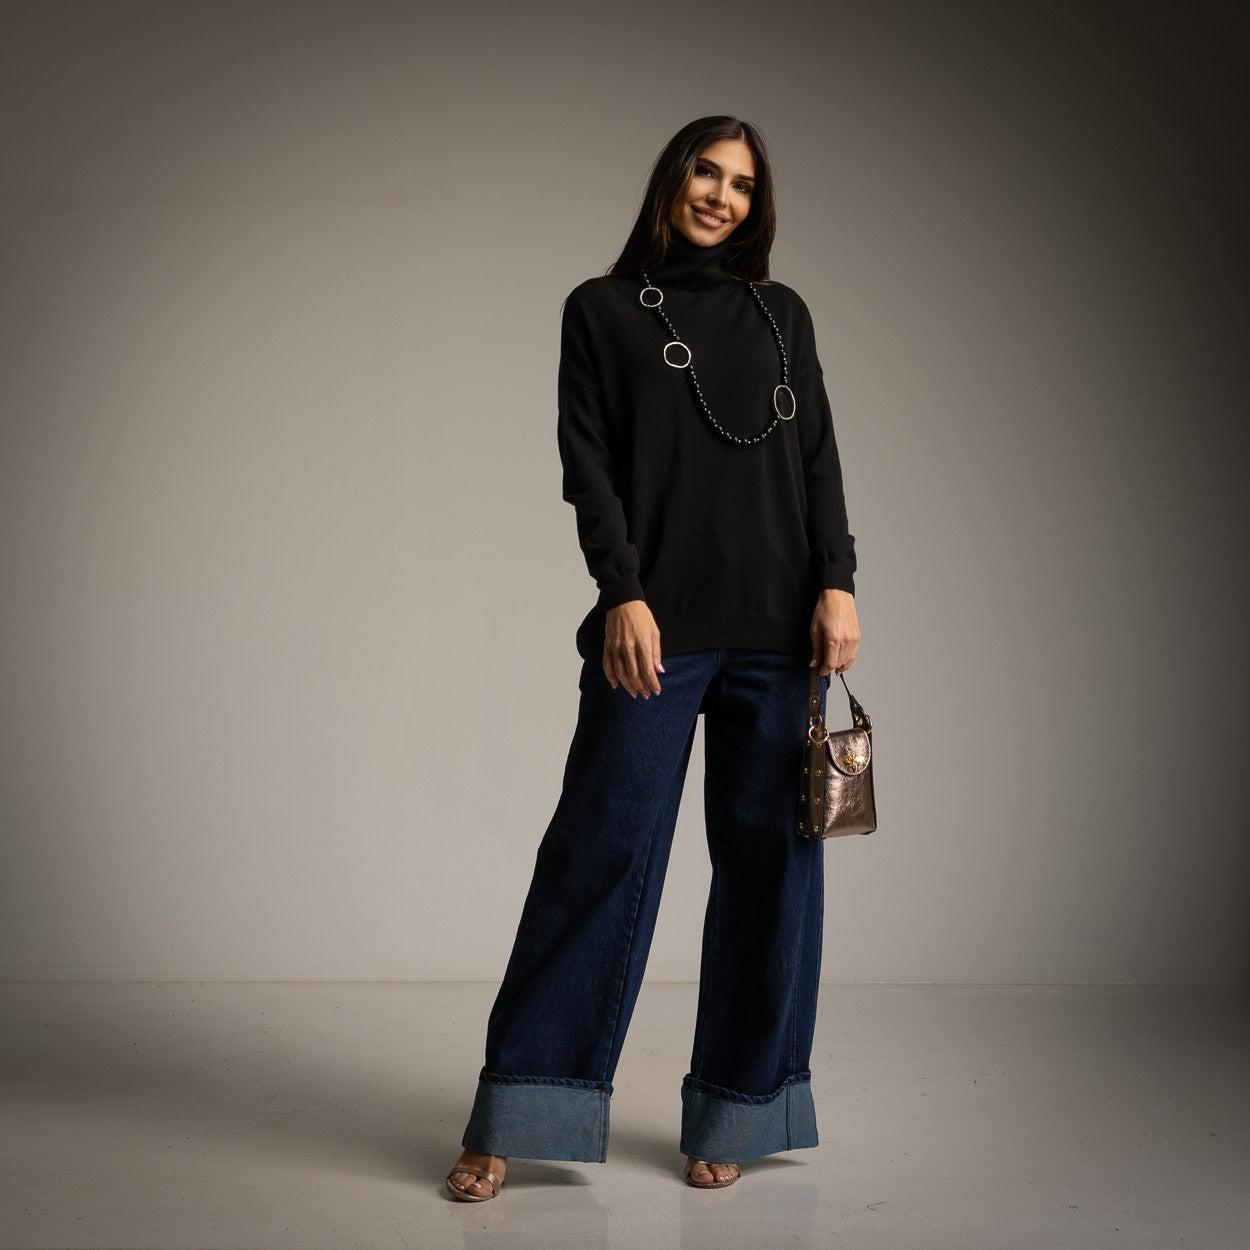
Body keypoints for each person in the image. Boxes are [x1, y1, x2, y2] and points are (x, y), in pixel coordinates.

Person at [445, 115, 861, 1201]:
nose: (720, 195)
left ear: (756, 204)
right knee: (599, 852)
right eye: (705, 173)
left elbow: (817, 455)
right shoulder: (601, 309)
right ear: (672, 179)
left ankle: (738, 1108)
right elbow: (587, 465)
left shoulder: (781, 314)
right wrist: (621, 591)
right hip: (656, 627)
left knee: (773, 873)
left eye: (741, 183)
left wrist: (839, 580)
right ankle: (519, 1107)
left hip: (781, 633)